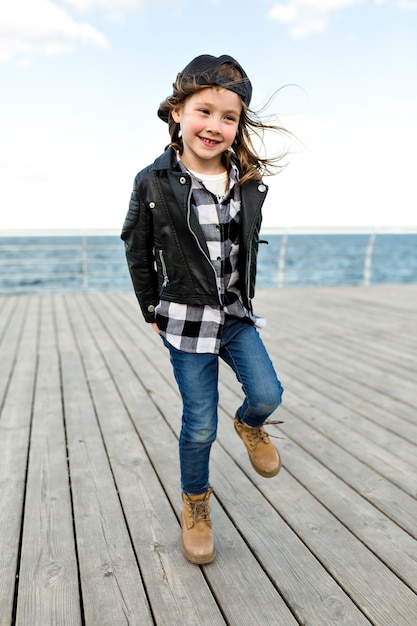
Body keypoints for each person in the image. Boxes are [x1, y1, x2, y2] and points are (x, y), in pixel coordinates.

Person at [121, 54, 286, 565]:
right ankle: (196, 505)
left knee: (267, 392)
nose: (215, 126)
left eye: (229, 117)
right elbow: (136, 244)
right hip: (187, 318)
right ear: (177, 112)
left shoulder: (248, 180)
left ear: (240, 126)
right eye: (204, 111)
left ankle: (250, 423)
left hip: (235, 315)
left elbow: (243, 246)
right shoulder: (154, 181)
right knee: (198, 424)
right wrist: (150, 305)